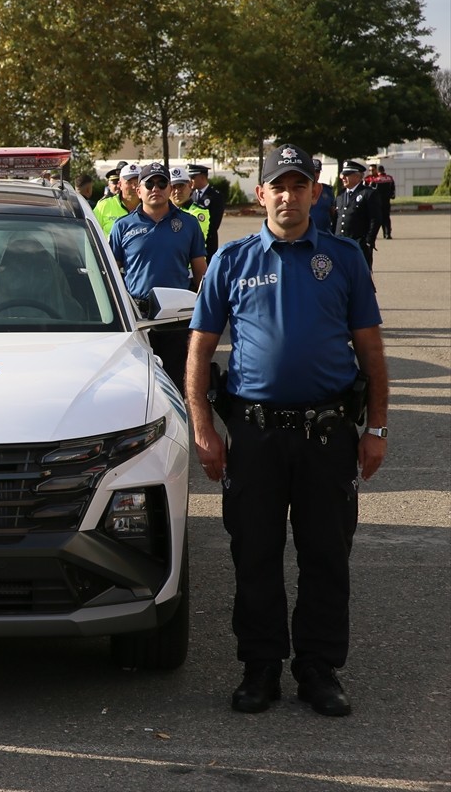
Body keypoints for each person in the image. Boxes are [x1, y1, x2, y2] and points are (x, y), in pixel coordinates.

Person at [186, 143, 388, 719]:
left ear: (315, 194)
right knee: (255, 551)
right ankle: (261, 667)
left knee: (326, 552)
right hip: (254, 435)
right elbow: (200, 352)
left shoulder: (345, 259)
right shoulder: (232, 260)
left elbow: (371, 351)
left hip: (328, 434)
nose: (288, 195)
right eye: (278, 185)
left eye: (300, 185)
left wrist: (375, 426)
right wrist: (204, 427)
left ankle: (318, 669)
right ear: (261, 193)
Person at [108, 161, 206, 392]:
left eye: (162, 183)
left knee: (175, 383)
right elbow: (112, 273)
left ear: (170, 189)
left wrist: (206, 309)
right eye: (149, 183)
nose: (156, 188)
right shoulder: (122, 226)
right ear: (138, 190)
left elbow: (201, 271)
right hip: (137, 316)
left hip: (177, 317)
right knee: (138, 383)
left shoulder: (189, 224)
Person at [334, 160, 382, 270]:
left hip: (358, 244)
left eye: (347, 175)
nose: (343, 178)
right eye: (343, 175)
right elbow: (337, 218)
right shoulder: (341, 195)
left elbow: (375, 219)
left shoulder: (368, 193)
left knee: (361, 277)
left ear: (357, 176)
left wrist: (369, 241)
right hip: (340, 244)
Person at [188, 164, 226, 259]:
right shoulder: (190, 195)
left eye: (192, 177)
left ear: (202, 177)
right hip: (189, 243)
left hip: (208, 244)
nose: (190, 180)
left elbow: (214, 224)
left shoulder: (215, 196)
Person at [93, 162, 140, 236]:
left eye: (137, 182)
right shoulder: (104, 205)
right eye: (129, 182)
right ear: (120, 184)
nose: (134, 187)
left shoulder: (151, 207)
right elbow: (91, 234)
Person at [168, 165, 209, 241]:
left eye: (181, 186)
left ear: (190, 185)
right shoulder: (163, 211)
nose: (177, 191)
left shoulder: (199, 212)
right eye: (173, 187)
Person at [366, 163, 396, 239]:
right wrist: (391, 195)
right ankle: (387, 234)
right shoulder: (390, 178)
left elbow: (370, 190)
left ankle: (372, 235)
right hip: (386, 201)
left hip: (377, 202)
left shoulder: (375, 180)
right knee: (386, 218)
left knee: (376, 219)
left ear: (377, 171)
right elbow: (393, 189)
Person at [310, 157, 337, 233]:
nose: (315, 174)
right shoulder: (301, 190)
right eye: (313, 171)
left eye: (317, 172)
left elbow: (333, 214)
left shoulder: (327, 190)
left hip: (325, 233)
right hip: (306, 234)